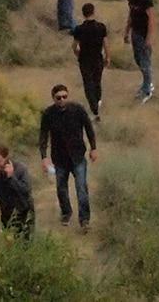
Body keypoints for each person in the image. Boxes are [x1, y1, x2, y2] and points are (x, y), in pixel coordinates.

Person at [37, 84, 97, 229]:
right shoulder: (48, 114)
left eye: (65, 97)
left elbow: (89, 128)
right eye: (58, 98)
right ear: (53, 98)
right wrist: (44, 157)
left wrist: (93, 148)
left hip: (77, 156)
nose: (62, 100)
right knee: (61, 188)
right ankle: (66, 212)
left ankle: (84, 220)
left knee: (81, 189)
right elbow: (43, 136)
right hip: (60, 158)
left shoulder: (77, 110)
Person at [0, 146, 35, 239]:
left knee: (25, 242)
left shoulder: (20, 169)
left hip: (25, 213)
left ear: (6, 158)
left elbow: (26, 190)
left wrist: (11, 177)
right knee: (9, 242)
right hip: (7, 215)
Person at [72, 3, 111, 120]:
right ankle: (97, 102)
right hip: (97, 58)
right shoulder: (101, 27)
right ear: (93, 12)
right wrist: (108, 57)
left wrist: (78, 54)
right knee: (97, 81)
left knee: (88, 83)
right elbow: (106, 44)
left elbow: (74, 46)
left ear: (83, 14)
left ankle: (94, 108)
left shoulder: (79, 29)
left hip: (85, 59)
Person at [126, 0, 157, 103]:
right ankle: (146, 83)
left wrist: (149, 38)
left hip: (144, 34)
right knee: (138, 60)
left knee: (145, 62)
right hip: (135, 32)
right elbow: (131, 14)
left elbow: (151, 19)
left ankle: (147, 89)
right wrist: (126, 31)